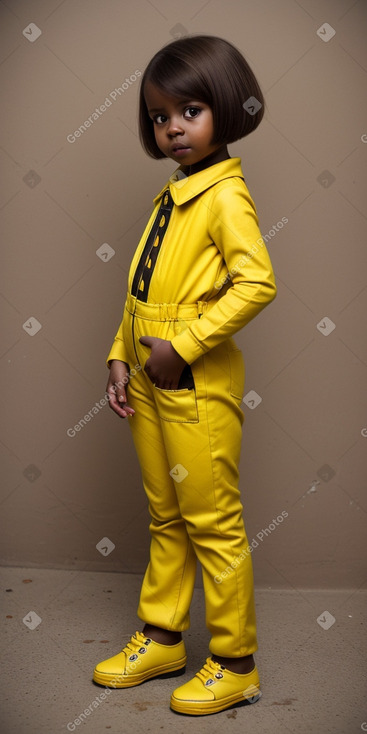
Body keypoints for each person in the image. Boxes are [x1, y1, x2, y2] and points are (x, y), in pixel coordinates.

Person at [93, 34, 277, 716]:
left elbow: (256, 283)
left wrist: (185, 345)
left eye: (189, 110)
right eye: (158, 115)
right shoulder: (172, 195)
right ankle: (164, 636)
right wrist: (120, 352)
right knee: (165, 516)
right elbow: (142, 294)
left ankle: (235, 662)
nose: (171, 127)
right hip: (148, 378)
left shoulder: (226, 197)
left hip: (194, 384)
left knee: (212, 523)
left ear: (226, 109)